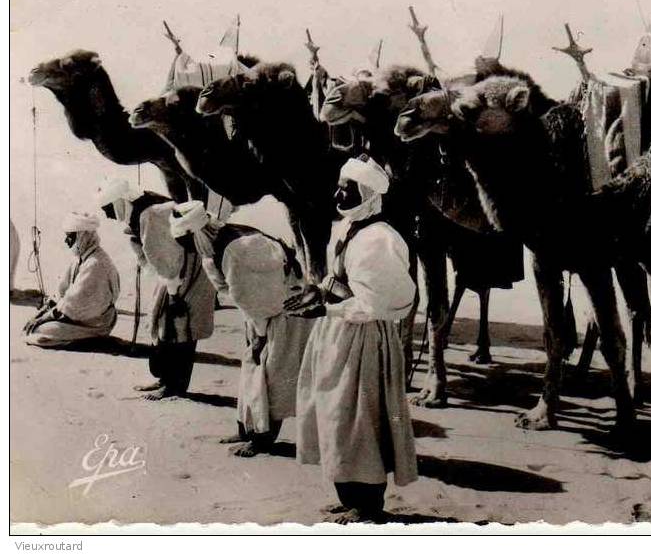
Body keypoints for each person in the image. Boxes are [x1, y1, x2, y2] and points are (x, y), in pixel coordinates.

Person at [287, 155, 418, 524]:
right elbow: (341, 278)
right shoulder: (348, 227)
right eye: (341, 187)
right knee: (335, 415)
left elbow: (379, 304)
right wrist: (319, 292)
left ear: (370, 195)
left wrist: (326, 310)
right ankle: (349, 496)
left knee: (360, 420)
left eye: (349, 190)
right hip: (339, 334)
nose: (339, 195)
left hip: (363, 340)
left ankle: (368, 505)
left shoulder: (379, 240)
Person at [169, 200, 313, 457]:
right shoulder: (218, 243)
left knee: (270, 376)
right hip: (264, 314)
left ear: (196, 235)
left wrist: (259, 336)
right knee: (253, 370)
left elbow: (259, 300)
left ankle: (262, 439)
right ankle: (247, 429)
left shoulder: (238, 249)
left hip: (283, 314)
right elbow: (239, 294)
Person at [96, 178, 216, 400]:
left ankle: (175, 386)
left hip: (187, 269)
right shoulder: (142, 211)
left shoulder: (149, 214)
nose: (108, 215)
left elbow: (166, 256)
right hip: (178, 269)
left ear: (120, 201)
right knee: (165, 322)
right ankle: (165, 379)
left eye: (108, 208)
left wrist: (173, 293)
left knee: (180, 325)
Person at [24, 212, 120, 347]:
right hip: (80, 316)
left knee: (41, 332)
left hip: (97, 322)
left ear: (82, 236)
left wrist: (43, 318)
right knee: (36, 328)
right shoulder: (82, 257)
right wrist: (40, 314)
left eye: (70, 237)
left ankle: (90, 339)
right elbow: (61, 292)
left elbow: (72, 305)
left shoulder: (95, 263)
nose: (66, 241)